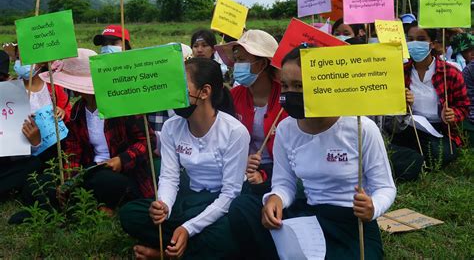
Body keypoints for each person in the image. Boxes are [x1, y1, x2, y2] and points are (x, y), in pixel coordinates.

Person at [230, 46, 396, 259]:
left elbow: (385, 187)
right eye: (286, 86)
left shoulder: (360, 128)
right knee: (243, 208)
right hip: (308, 217)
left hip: (353, 223)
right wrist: (276, 199)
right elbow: (284, 183)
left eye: (299, 86)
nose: (290, 93)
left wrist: (373, 207)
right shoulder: (286, 129)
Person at [119, 58, 250, 259]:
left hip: (224, 204)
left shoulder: (235, 132)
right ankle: (187, 248)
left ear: (204, 92)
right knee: (131, 213)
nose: (172, 94)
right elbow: (170, 177)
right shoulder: (172, 127)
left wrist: (188, 228)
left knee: (227, 236)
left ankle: (165, 252)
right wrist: (164, 206)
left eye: (181, 87)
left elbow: (230, 193)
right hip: (191, 198)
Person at [11, 49, 156, 223]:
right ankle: (75, 207)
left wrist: (121, 159)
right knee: (38, 184)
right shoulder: (79, 111)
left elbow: (147, 141)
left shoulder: (122, 106)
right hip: (89, 169)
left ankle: (78, 207)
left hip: (122, 173)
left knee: (105, 180)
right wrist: (68, 179)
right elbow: (73, 148)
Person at [216, 29, 287, 194]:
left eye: (242, 60)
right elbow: (222, 141)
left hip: (281, 172)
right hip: (241, 170)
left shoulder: (286, 98)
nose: (237, 66)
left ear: (262, 64)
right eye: (236, 60)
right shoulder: (233, 96)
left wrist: (264, 173)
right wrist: (241, 161)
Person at [391, 23, 469, 171]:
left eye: (421, 39)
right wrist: (402, 103)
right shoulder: (400, 72)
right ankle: (414, 159)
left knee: (440, 153)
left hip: (440, 130)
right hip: (410, 128)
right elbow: (391, 110)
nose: (414, 43)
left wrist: (453, 114)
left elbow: (463, 106)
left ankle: (416, 161)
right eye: (410, 39)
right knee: (389, 146)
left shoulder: (450, 73)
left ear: (432, 44)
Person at [0, 50, 41, 200]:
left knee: (34, 163)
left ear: (7, 79)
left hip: (5, 165)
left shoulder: (15, 101)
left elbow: (19, 152)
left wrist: (34, 140)